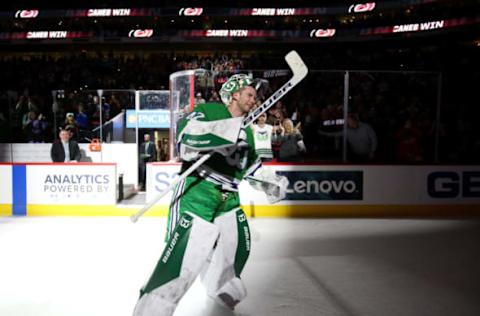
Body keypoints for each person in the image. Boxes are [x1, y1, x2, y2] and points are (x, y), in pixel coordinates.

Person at [133, 74, 289, 316]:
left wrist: (271, 183)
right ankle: (152, 309)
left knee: (236, 249)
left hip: (229, 198)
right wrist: (223, 131)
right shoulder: (210, 110)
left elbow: (250, 168)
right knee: (185, 258)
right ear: (234, 94)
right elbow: (185, 136)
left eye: (255, 96)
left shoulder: (247, 132)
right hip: (199, 190)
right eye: (249, 94)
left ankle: (221, 287)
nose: (254, 99)